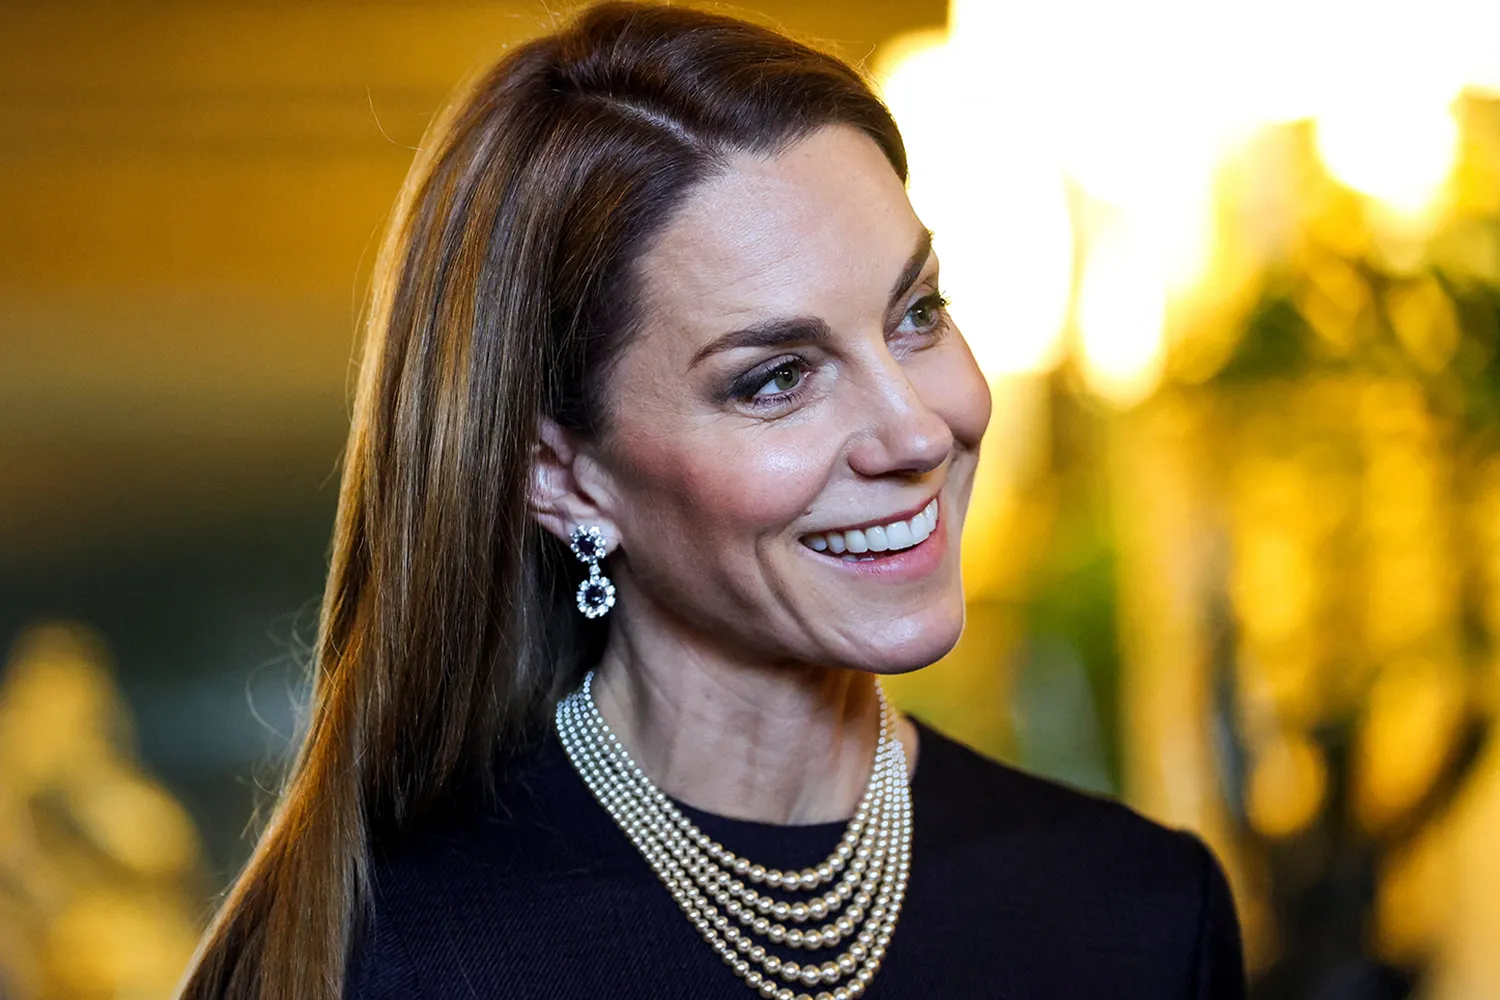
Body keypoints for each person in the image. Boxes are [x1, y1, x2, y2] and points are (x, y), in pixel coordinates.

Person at [177, 3, 1246, 998]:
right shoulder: (383, 954)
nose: (920, 429)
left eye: (917, 312)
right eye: (777, 377)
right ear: (562, 475)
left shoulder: (1141, 914)